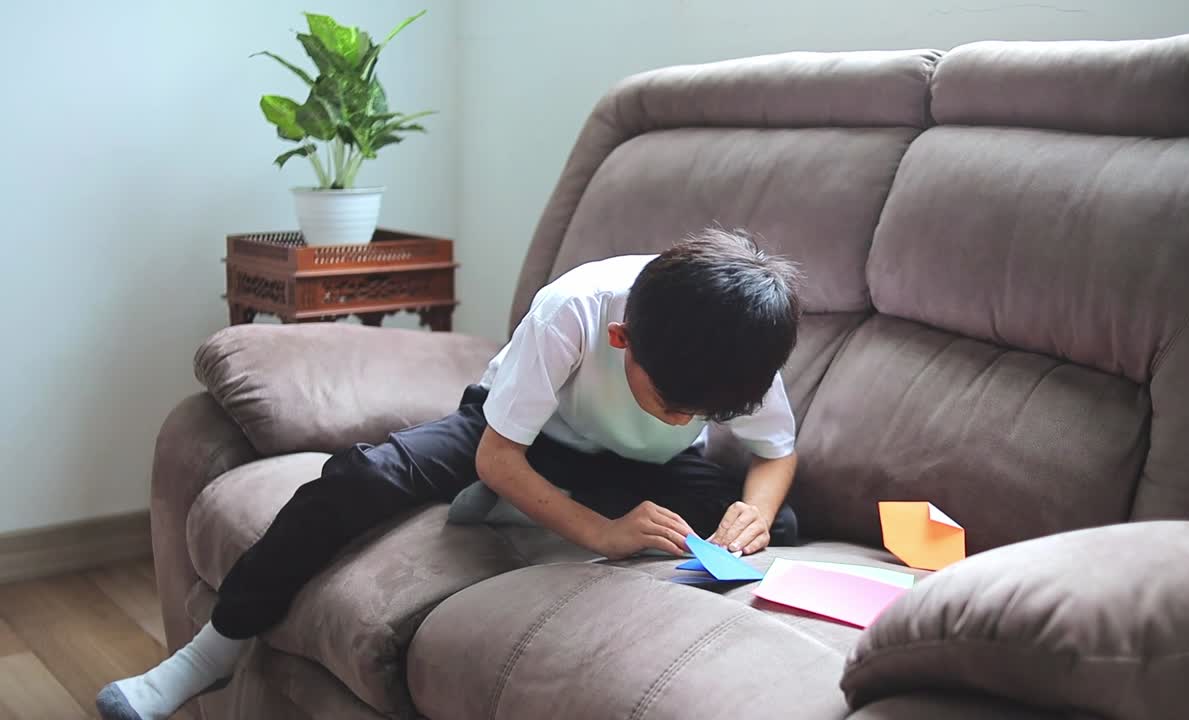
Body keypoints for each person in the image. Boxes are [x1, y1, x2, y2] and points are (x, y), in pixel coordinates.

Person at [96, 227, 803, 720]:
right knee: (358, 479)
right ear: (622, 342)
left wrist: (759, 513)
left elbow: (776, 450)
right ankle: (213, 648)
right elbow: (498, 454)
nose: (688, 420)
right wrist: (602, 533)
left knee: (785, 526)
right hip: (518, 438)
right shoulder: (577, 310)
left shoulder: (736, 340)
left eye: (705, 412)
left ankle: (522, 508)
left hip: (642, 467)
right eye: (675, 403)